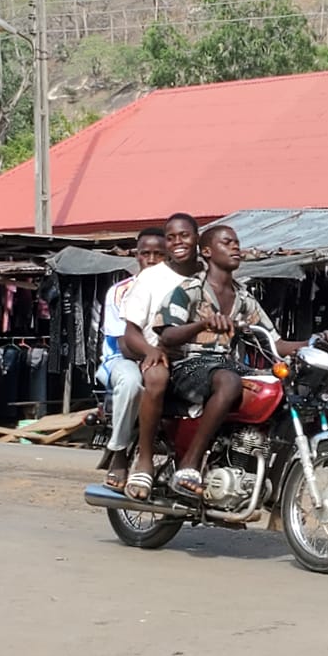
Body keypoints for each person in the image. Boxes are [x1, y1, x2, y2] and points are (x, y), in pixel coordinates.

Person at [154, 224, 328, 498]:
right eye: (227, 242)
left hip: (226, 366)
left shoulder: (244, 298)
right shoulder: (189, 290)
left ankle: (256, 472)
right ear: (206, 251)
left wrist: (313, 340)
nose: (235, 247)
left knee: (279, 387)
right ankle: (189, 464)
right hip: (188, 365)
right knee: (229, 382)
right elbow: (167, 335)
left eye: (236, 243)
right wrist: (202, 324)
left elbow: (274, 342)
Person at [120, 213, 204, 501]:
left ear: (198, 238)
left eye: (185, 235)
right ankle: (144, 459)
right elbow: (130, 332)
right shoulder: (151, 277)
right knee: (156, 377)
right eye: (172, 237)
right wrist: (151, 350)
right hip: (160, 356)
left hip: (200, 359)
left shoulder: (208, 276)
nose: (178, 242)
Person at [96, 227, 167, 490]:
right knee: (131, 382)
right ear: (136, 255)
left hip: (163, 356)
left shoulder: (178, 290)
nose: (151, 259)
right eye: (145, 253)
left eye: (158, 254)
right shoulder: (119, 291)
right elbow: (125, 345)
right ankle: (119, 452)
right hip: (123, 359)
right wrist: (156, 354)